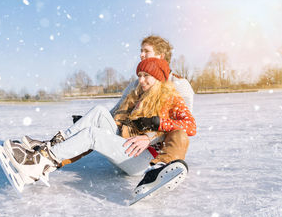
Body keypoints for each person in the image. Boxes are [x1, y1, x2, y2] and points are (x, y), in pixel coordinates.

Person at [1, 58, 196, 194]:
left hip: (143, 159)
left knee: (92, 135)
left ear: (159, 78)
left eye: (147, 75)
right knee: (99, 112)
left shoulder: (172, 99)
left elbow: (190, 126)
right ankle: (47, 151)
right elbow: (118, 121)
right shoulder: (140, 95)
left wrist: (157, 126)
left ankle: (40, 163)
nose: (141, 80)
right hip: (127, 147)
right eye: (140, 75)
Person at [23, 35, 194, 167]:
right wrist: (86, 121)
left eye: (146, 51)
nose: (141, 55)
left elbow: (181, 128)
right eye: (140, 51)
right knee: (98, 113)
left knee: (93, 132)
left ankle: (160, 169)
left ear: (161, 56)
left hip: (149, 149)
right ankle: (51, 148)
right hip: (127, 140)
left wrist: (149, 136)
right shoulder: (137, 84)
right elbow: (116, 113)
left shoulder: (178, 85)